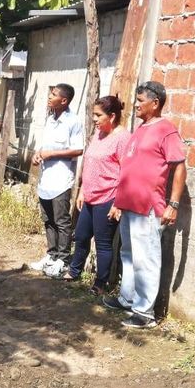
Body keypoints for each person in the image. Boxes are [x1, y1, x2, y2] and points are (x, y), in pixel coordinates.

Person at [101, 81, 186, 329]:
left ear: (155, 103)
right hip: (129, 204)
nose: (136, 105)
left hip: (148, 206)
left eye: (141, 101)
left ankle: (144, 313)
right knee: (128, 255)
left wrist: (173, 204)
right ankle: (127, 298)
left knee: (145, 259)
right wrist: (118, 201)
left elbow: (179, 167)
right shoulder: (140, 129)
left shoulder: (166, 130)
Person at [61, 95, 129, 292]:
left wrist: (118, 202)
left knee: (103, 243)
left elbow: (127, 172)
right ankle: (74, 271)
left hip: (108, 198)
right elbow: (89, 163)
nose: (94, 119)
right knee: (81, 236)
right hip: (90, 196)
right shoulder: (98, 134)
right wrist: (82, 190)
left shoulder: (123, 138)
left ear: (112, 116)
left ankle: (100, 283)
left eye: (99, 115)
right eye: (94, 115)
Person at [28, 83, 84, 277]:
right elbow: (45, 146)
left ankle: (63, 260)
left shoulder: (73, 121)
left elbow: (78, 149)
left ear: (64, 100)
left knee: (61, 221)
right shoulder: (50, 120)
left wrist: (52, 154)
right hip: (46, 179)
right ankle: (51, 255)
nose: (50, 97)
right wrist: (37, 154)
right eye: (50, 94)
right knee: (48, 220)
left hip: (61, 180)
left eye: (54, 95)